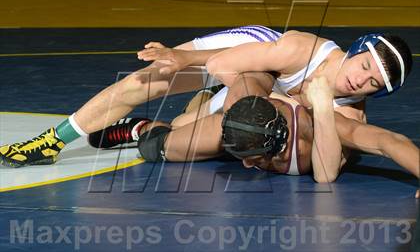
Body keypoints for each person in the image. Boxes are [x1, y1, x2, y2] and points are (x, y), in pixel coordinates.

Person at [0, 26, 412, 168]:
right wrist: (182, 58)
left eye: (375, 83)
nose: (362, 82)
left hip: (255, 103)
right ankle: (53, 141)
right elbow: (225, 61)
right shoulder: (301, 50)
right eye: (365, 67)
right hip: (251, 58)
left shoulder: (351, 116)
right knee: (145, 83)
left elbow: (376, 149)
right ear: (357, 49)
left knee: (213, 133)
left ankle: (146, 128)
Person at [88, 71, 419, 188]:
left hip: (249, 117)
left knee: (201, 115)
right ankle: (147, 126)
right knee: (156, 146)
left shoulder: (318, 122)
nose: (250, 165)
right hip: (235, 119)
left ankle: (204, 102)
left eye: (252, 160)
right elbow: (247, 76)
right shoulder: (243, 106)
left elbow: (389, 141)